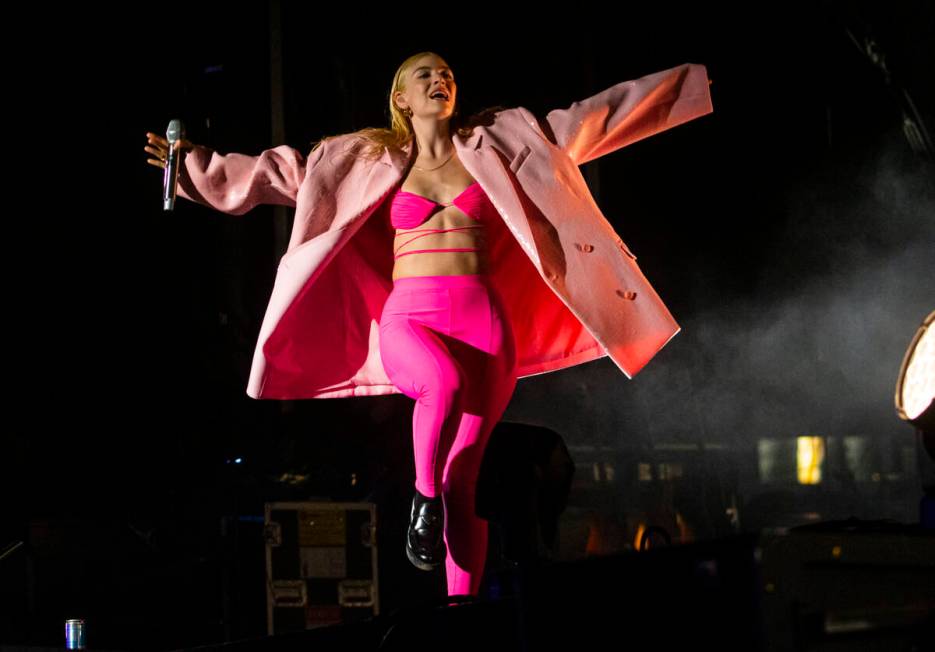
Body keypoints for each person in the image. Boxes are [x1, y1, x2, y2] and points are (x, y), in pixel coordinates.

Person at [144, 51, 714, 598]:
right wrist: (192, 165)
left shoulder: (501, 140)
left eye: (446, 73)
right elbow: (274, 172)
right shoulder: (362, 159)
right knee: (439, 386)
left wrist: (693, 81)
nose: (440, 80)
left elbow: (598, 117)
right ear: (401, 97)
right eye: (425, 74)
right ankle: (421, 499)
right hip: (410, 320)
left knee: (463, 484)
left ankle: (458, 614)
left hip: (486, 327)